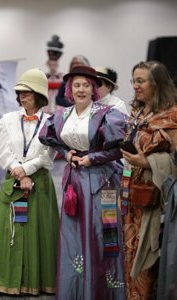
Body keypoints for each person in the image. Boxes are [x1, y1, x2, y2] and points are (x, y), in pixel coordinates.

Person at [39, 65, 127, 299]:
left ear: (94, 88)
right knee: (74, 235)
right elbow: (48, 137)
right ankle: (76, 290)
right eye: (76, 85)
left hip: (103, 183)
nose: (81, 89)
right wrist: (66, 153)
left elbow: (121, 148)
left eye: (86, 85)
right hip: (75, 182)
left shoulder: (107, 113)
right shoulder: (62, 115)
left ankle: (103, 291)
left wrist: (92, 158)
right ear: (69, 89)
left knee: (103, 234)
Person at [0, 68, 59, 298]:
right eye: (21, 92)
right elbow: (3, 152)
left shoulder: (51, 122)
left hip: (40, 183)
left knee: (40, 232)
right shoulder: (7, 120)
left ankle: (40, 281)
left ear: (39, 95)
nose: (23, 96)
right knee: (6, 231)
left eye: (28, 92)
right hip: (13, 182)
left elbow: (48, 155)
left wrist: (27, 170)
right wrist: (19, 172)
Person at [120, 61, 177, 299]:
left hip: (155, 197)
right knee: (129, 249)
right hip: (131, 193)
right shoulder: (138, 112)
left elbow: (175, 160)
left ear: (157, 84)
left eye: (141, 81)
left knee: (149, 253)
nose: (135, 86)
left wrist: (148, 163)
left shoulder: (172, 115)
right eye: (134, 80)